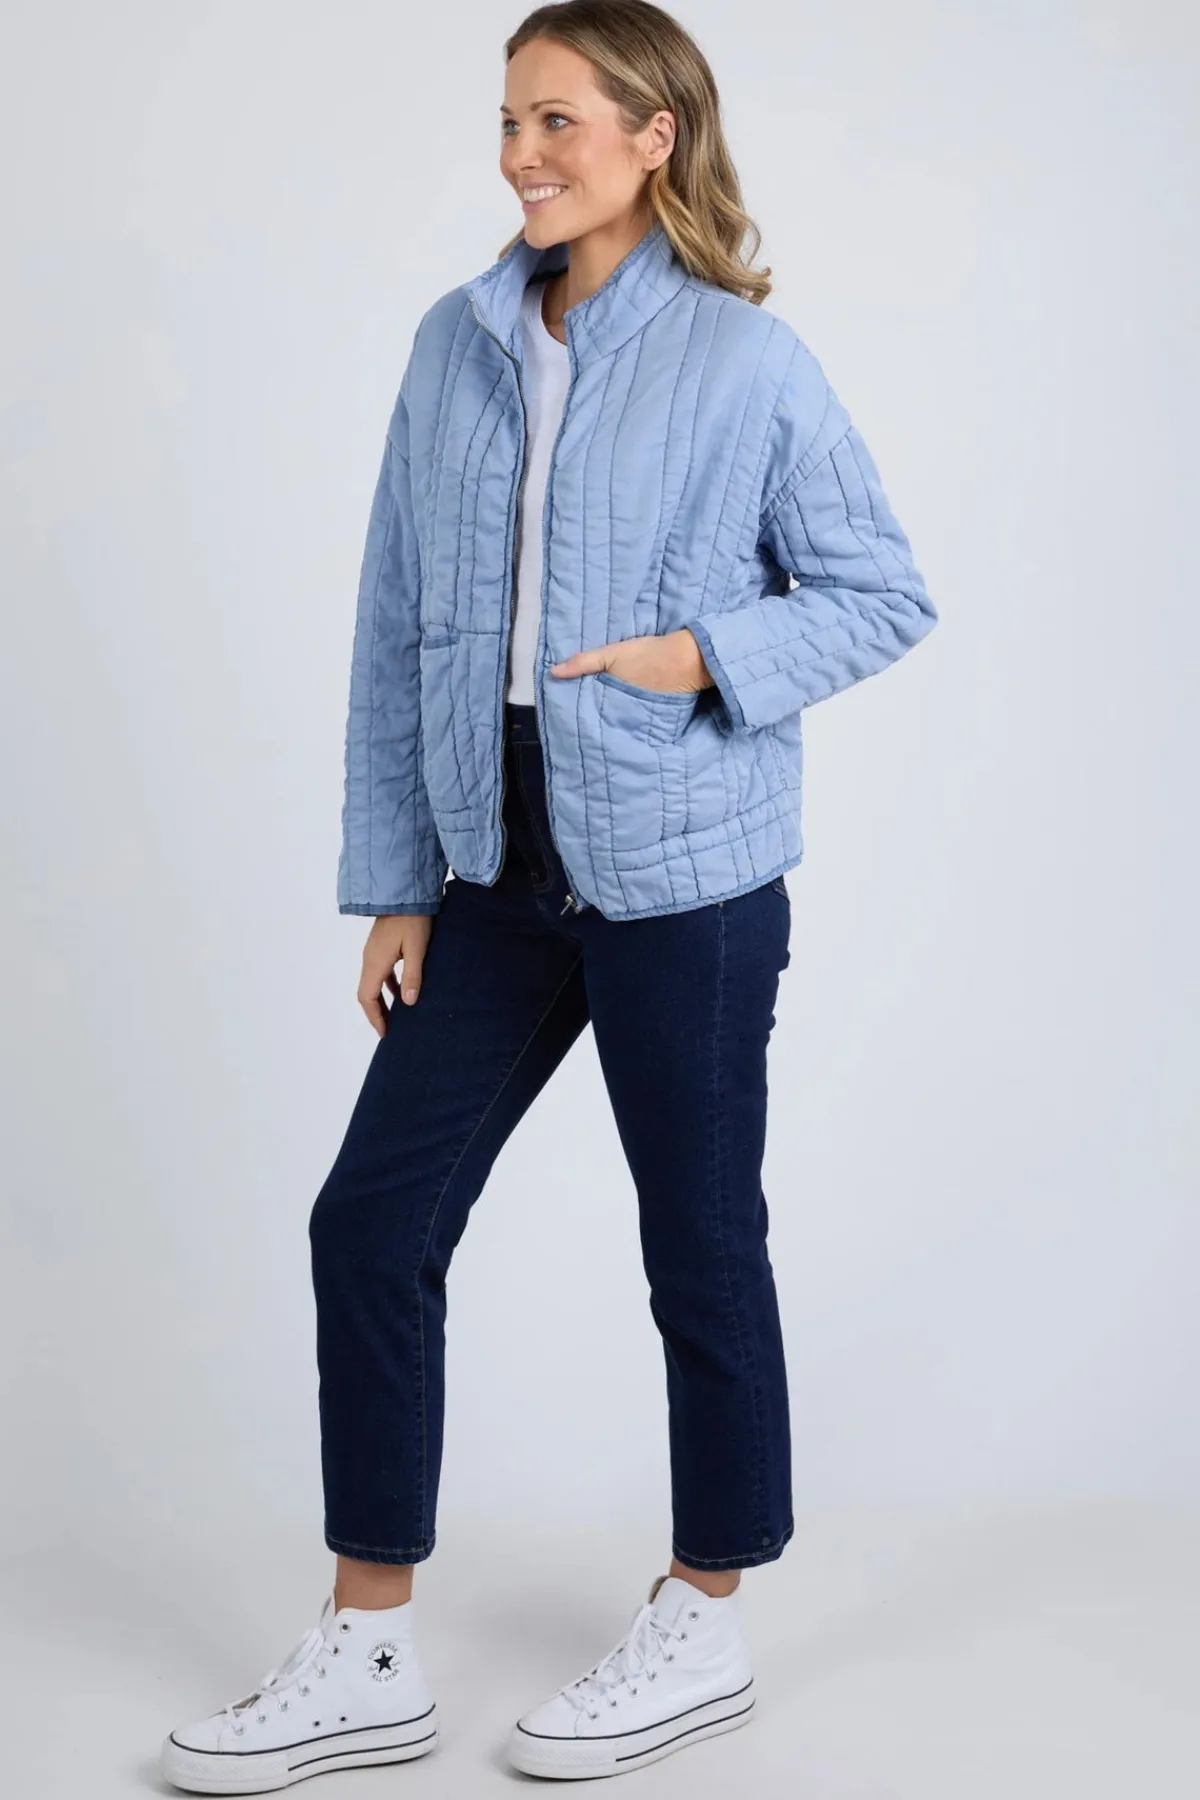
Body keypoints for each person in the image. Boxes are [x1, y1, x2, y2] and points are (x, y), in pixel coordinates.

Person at [161, 1, 937, 1789]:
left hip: (686, 868)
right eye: (509, 119)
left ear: (656, 135)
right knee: (371, 1222)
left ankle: (705, 1612)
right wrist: (397, 882)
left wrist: (701, 655)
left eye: (558, 119)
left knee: (698, 1244)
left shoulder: (748, 362)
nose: (520, 153)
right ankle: (369, 1642)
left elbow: (881, 592)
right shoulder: (456, 344)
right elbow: (393, 624)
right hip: (490, 862)